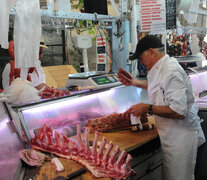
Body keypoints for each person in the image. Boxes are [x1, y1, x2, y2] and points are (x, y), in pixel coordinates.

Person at [117, 35, 206, 180]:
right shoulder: (161, 68)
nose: (141, 61)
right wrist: (135, 82)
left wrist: (148, 108)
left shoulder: (170, 70)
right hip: (172, 138)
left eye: (141, 57)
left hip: (183, 140)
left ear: (151, 52)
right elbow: (161, 87)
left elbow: (179, 111)